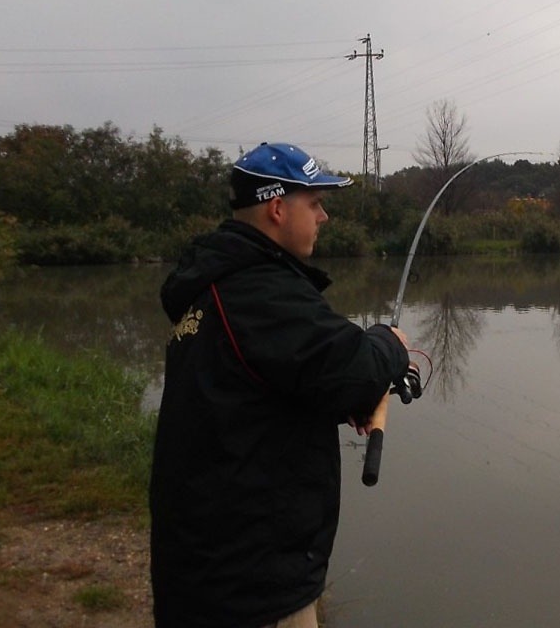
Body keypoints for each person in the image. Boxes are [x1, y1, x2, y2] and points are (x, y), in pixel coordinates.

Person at [150, 142, 411, 628]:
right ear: (277, 208)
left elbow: (255, 392)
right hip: (252, 586)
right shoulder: (260, 291)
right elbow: (356, 370)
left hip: (202, 570)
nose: (325, 216)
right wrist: (389, 342)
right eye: (314, 203)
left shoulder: (210, 287)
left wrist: (333, 401)